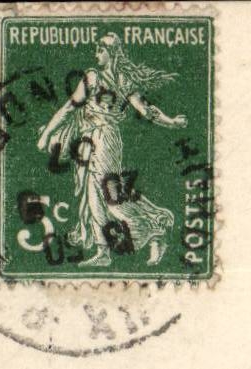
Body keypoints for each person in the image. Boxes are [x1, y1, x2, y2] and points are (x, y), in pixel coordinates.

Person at [35, 33, 187, 268]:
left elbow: (146, 110)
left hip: (104, 140)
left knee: (109, 196)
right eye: (96, 49)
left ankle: (156, 227)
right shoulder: (94, 77)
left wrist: (171, 121)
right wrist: (47, 134)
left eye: (101, 49)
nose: (96, 54)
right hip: (90, 141)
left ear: (112, 52)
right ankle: (103, 251)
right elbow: (69, 108)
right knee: (95, 195)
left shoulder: (114, 79)